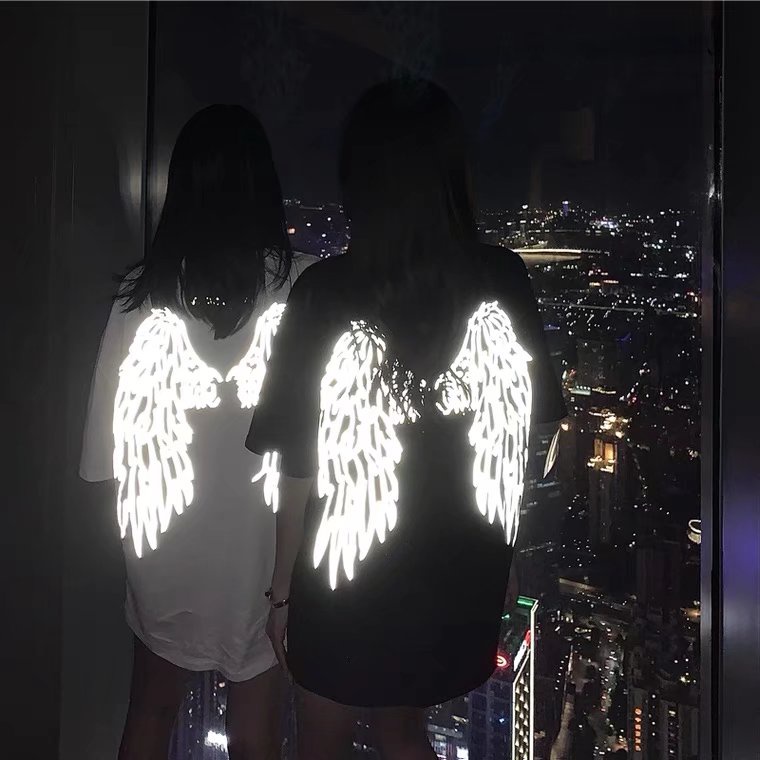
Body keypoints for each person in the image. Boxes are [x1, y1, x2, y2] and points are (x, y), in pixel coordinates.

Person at [246, 79, 566, 759]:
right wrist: (504, 560)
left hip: (346, 583)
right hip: (456, 582)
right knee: (404, 731)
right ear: (453, 175)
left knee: (322, 740)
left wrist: (281, 594)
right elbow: (518, 443)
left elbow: (297, 463)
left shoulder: (325, 292)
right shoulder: (502, 279)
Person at [79, 104, 316, 760]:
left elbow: (103, 457)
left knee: (150, 711)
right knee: (255, 735)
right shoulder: (303, 288)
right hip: (267, 558)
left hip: (167, 551)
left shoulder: (141, 295)